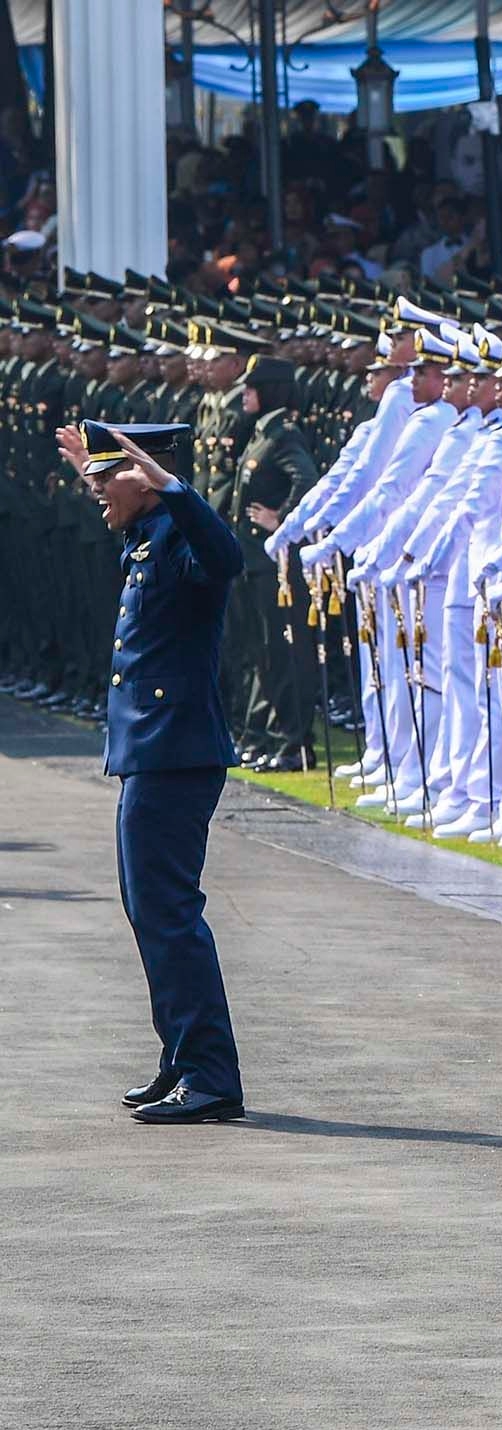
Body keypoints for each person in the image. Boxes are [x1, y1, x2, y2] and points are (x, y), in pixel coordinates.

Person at [58, 419, 250, 1125]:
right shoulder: (149, 535)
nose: (97, 492)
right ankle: (182, 1057)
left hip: (176, 754)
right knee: (149, 912)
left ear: (145, 477)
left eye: (107, 478)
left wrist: (173, 486)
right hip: (152, 752)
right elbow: (132, 519)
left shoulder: (181, 535)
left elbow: (225, 557)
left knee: (168, 913)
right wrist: (99, 475)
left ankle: (210, 1076)